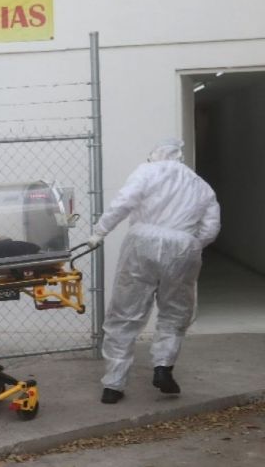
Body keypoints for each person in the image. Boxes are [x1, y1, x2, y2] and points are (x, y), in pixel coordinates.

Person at [87, 137, 220, 404]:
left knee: (125, 312)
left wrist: (100, 232)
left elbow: (123, 202)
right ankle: (163, 367)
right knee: (174, 312)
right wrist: (189, 244)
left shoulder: (147, 171)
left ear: (156, 155)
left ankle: (113, 385)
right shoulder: (201, 185)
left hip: (142, 242)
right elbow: (210, 229)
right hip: (184, 246)